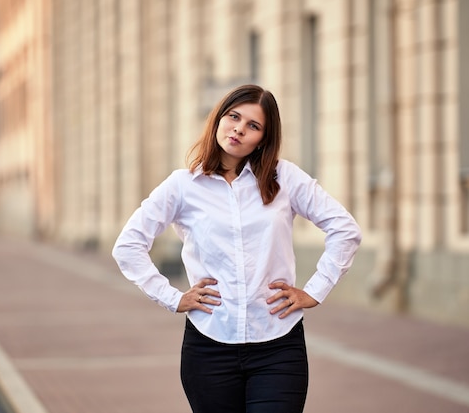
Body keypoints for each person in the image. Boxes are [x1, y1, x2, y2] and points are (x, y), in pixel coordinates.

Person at [112, 84, 362, 413]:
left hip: (278, 346)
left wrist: (315, 290)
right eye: (234, 117)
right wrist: (173, 297)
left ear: (263, 138)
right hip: (209, 348)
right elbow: (128, 245)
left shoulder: (284, 178)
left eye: (253, 126)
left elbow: (345, 229)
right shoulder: (183, 186)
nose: (239, 130)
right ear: (219, 118)